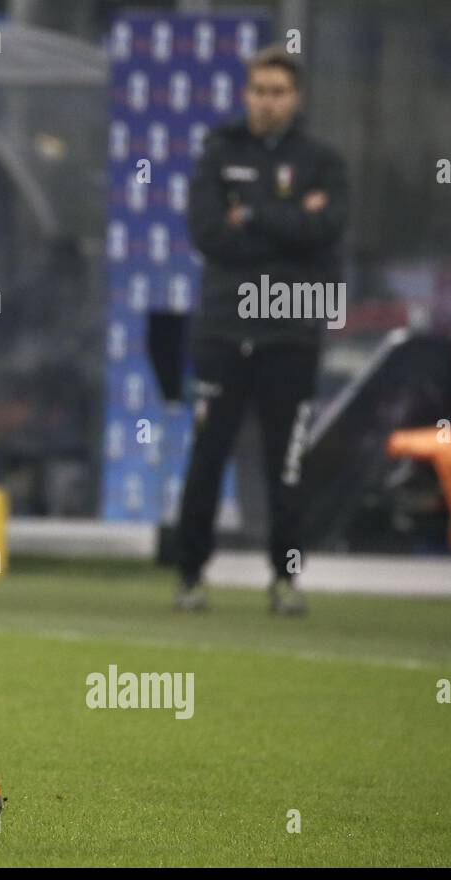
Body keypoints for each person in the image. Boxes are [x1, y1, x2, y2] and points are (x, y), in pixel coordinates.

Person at [174, 45, 349, 615]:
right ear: (245, 93)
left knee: (288, 464)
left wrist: (249, 211)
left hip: (292, 335)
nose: (267, 101)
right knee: (208, 456)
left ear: (295, 98)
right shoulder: (218, 151)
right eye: (259, 90)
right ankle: (190, 576)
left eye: (278, 91)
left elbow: (324, 231)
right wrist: (290, 222)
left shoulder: (323, 159)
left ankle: (286, 579)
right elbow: (207, 234)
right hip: (224, 333)